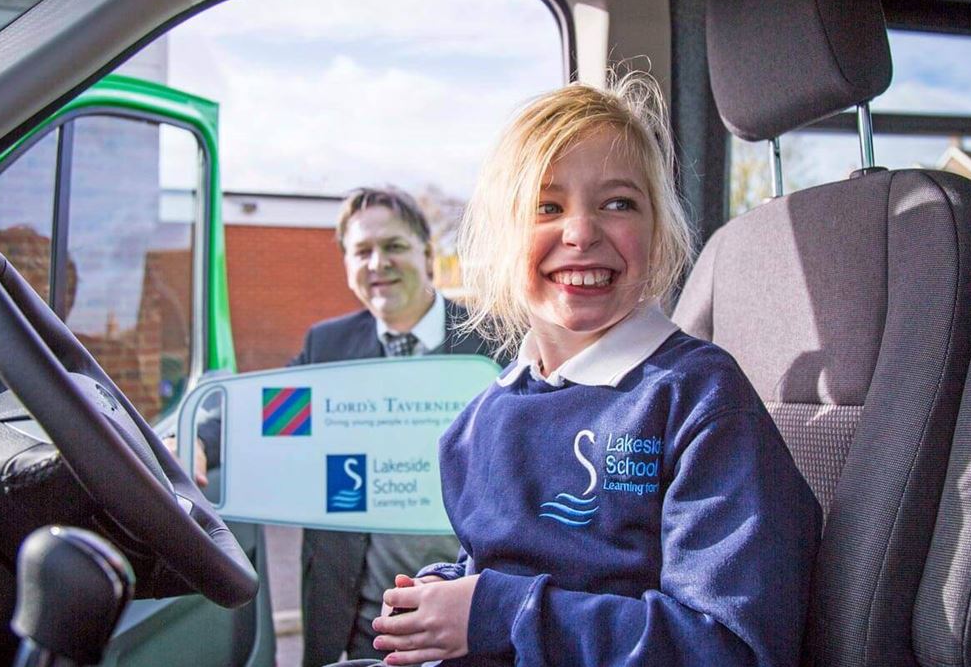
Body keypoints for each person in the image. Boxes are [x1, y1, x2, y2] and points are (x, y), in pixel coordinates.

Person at [357, 75, 822, 667]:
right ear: (500, 240)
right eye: (547, 207)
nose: (580, 232)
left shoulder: (696, 398)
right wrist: (446, 594)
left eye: (618, 204)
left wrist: (496, 613)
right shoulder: (479, 423)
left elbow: (727, 646)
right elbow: (499, 570)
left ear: (658, 232)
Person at [295, 187, 497, 667]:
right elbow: (266, 413)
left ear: (426, 255)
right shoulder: (328, 347)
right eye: (362, 251)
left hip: (470, 620)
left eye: (394, 246)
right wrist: (197, 438)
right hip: (364, 625)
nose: (377, 263)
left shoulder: (495, 342)